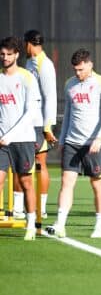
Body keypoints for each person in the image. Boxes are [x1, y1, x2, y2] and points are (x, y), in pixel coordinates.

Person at [46, 48, 101, 238]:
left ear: (90, 65)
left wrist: (100, 138)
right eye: (75, 70)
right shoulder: (70, 84)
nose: (78, 73)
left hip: (94, 144)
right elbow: (68, 113)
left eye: (81, 69)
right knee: (66, 183)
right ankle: (60, 224)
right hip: (72, 143)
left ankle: (99, 226)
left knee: (97, 185)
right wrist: (63, 138)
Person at [0, 36, 40, 240]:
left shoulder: (27, 78)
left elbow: (30, 113)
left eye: (8, 54)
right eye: (2, 54)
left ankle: (31, 223)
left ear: (16, 54)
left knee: (25, 182)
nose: (5, 57)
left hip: (22, 139)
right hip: (1, 142)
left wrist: (10, 136)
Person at [17, 30, 57, 220]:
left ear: (29, 43)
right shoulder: (28, 62)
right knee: (20, 162)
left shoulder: (45, 65)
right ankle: (17, 208)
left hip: (38, 124)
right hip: (25, 121)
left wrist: (48, 126)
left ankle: (41, 207)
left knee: (40, 163)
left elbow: (50, 97)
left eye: (24, 43)